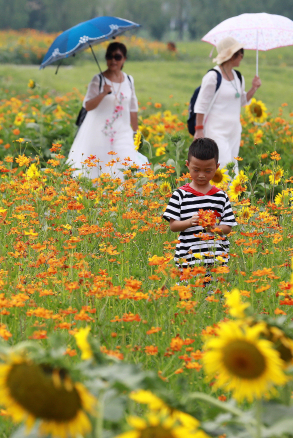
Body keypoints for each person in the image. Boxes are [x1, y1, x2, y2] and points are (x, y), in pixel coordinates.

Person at [67, 41, 148, 181]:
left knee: (125, 165)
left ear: (124, 59)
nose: (113, 60)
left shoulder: (129, 80)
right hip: (99, 134)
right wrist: (103, 93)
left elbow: (133, 108)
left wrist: (136, 132)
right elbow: (88, 106)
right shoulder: (97, 80)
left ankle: (122, 198)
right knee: (99, 169)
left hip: (123, 133)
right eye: (109, 56)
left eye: (117, 57)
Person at [162, 138, 236, 274]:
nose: (201, 175)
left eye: (208, 171)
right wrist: (190, 222)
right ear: (188, 165)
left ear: (217, 168)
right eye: (196, 170)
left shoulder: (221, 196)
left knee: (214, 293)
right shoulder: (180, 195)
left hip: (216, 260)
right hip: (188, 261)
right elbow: (173, 226)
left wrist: (214, 228)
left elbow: (228, 227)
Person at [192, 36, 261, 174]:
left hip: (234, 132)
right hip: (216, 131)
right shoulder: (213, 77)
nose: (242, 56)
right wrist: (199, 129)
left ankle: (230, 196)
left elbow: (241, 101)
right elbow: (201, 105)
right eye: (239, 52)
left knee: (233, 169)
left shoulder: (238, 77)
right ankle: (222, 194)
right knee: (222, 167)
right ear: (231, 56)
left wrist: (254, 88)